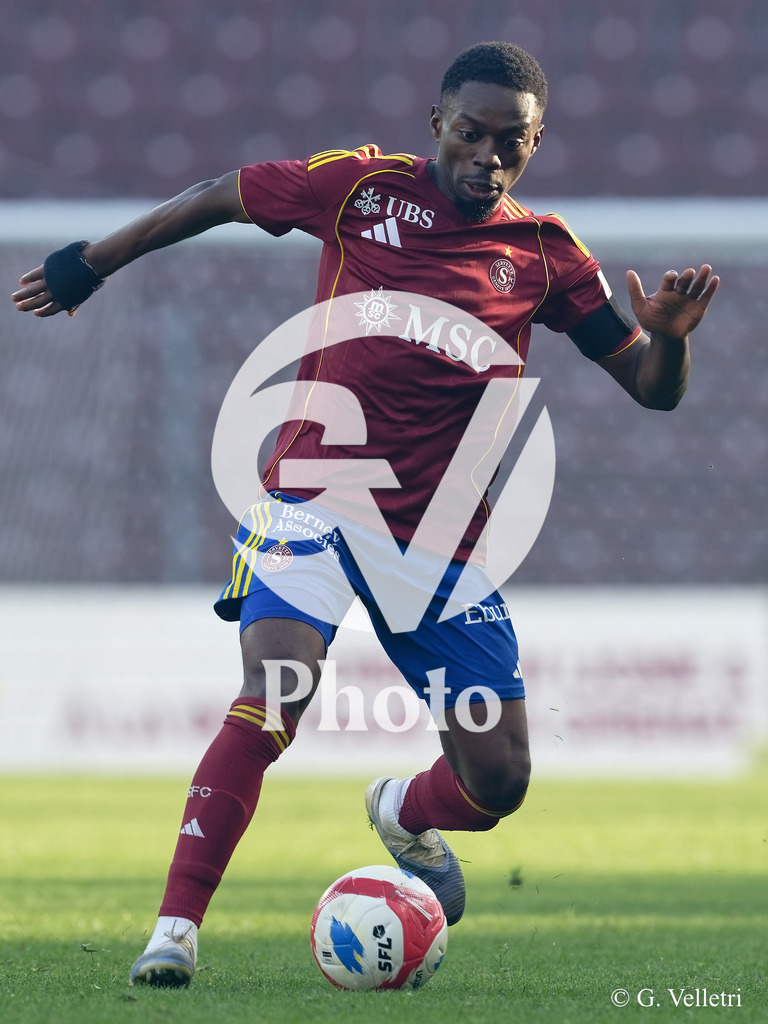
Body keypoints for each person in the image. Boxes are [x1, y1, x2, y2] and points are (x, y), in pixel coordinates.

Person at [12, 41, 719, 988]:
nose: (488, 158)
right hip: (313, 502)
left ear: (537, 143)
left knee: (498, 781)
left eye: (512, 144)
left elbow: (650, 388)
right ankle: (173, 932)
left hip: (439, 541)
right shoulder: (359, 190)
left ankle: (405, 814)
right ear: (438, 124)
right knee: (276, 694)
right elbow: (224, 192)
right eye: (471, 134)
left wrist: (668, 345)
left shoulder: (546, 255)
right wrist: (91, 263)